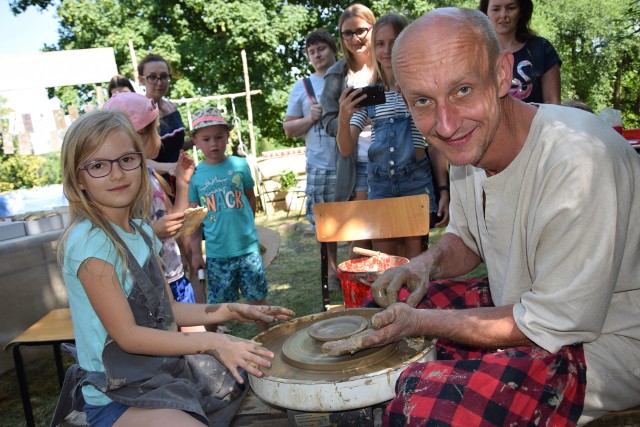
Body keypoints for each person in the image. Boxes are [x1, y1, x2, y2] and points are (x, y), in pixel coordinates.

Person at [334, 8, 640, 425]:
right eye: (422, 100)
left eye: (461, 90)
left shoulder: (579, 160)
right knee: (384, 306)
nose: (444, 125)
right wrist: (426, 264)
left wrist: (421, 322)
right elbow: (466, 239)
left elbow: (552, 323)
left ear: (501, 75)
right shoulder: (466, 146)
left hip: (607, 339)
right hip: (529, 310)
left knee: (426, 407)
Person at [58, 108, 294, 426]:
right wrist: (212, 341)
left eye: (126, 159)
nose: (116, 174)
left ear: (141, 163)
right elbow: (128, 336)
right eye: (98, 165)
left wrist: (230, 309)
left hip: (161, 376)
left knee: (261, 376)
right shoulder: (90, 243)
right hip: (117, 395)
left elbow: (168, 311)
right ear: (78, 178)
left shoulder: (141, 230)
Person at [336, 13, 449, 258]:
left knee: (417, 262)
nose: (387, 50)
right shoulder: (368, 95)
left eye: (395, 42)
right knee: (386, 263)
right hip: (380, 185)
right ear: (374, 48)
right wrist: (344, 119)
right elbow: (346, 148)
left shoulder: (421, 89)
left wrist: (444, 189)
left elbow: (435, 145)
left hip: (415, 183)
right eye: (380, 43)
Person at [103, 93, 200, 317]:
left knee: (193, 338)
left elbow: (175, 217)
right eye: (156, 130)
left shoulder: (150, 174)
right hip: (150, 286)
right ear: (137, 136)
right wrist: (154, 231)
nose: (160, 136)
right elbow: (116, 238)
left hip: (173, 274)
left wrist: (183, 183)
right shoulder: (121, 186)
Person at [188, 107, 272, 333]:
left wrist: (247, 227)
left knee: (257, 299)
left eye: (219, 137)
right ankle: (211, 342)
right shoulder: (195, 176)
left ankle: (265, 338)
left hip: (247, 250)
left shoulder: (239, 165)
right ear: (196, 141)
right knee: (216, 306)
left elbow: (250, 199)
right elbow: (192, 221)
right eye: (206, 139)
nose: (213, 144)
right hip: (217, 254)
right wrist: (196, 253)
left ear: (227, 136)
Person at [283, 29, 340, 289]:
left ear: (333, 49)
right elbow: (289, 129)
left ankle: (357, 271)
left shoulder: (347, 76)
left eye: (322, 49)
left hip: (353, 163)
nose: (317, 55)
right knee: (325, 226)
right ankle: (332, 272)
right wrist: (310, 119)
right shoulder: (302, 86)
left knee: (360, 220)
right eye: (312, 51)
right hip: (320, 166)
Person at [320, 3, 376, 258]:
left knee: (394, 235)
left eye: (361, 30)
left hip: (394, 160)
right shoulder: (336, 75)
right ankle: (361, 297)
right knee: (361, 241)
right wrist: (348, 118)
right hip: (357, 165)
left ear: (373, 27)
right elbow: (327, 121)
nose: (355, 38)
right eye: (347, 33)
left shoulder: (390, 64)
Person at [480, 0, 561, 104]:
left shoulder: (542, 49)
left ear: (521, 11)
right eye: (496, 9)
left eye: (511, 8)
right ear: (485, 13)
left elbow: (553, 104)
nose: (503, 15)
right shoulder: (476, 52)